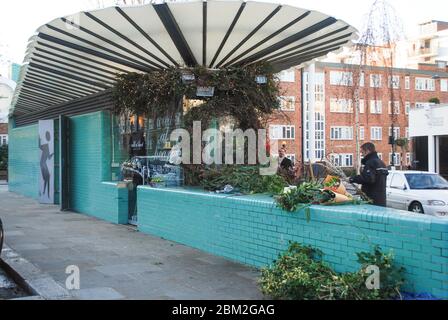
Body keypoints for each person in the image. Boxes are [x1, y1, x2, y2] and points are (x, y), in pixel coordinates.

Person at [350, 142, 389, 207]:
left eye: (362, 152)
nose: (362, 155)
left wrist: (352, 179)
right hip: (381, 200)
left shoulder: (371, 163)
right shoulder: (382, 163)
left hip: (371, 200)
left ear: (367, 151)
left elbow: (368, 179)